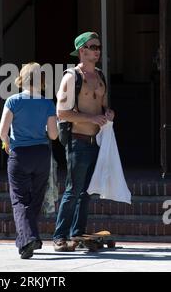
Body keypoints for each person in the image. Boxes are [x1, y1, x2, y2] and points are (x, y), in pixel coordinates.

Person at [53, 31, 115, 252]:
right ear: (82, 51)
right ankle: (59, 236)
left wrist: (108, 114)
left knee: (89, 191)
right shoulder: (72, 77)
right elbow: (61, 112)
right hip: (78, 142)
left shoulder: (100, 76)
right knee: (73, 189)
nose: (97, 50)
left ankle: (77, 233)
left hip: (96, 141)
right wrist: (91, 118)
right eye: (93, 46)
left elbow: (104, 106)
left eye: (99, 46)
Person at [0, 62, 58, 259]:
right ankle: (27, 239)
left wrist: (7, 143)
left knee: (19, 199)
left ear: (20, 79)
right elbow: (53, 135)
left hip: (20, 155)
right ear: (41, 81)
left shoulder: (13, 101)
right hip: (41, 155)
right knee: (35, 199)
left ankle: (28, 240)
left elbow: (2, 131)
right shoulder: (48, 103)